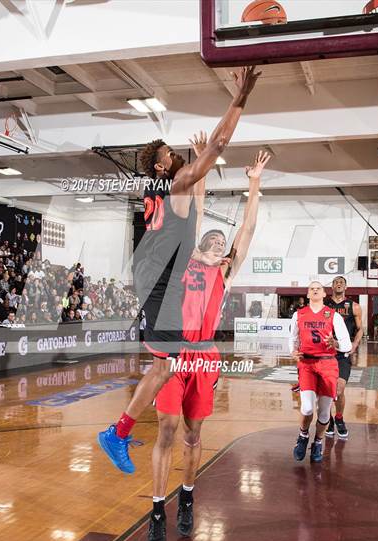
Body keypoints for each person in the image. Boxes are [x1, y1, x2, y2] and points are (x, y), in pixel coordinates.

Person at [98, 66, 261, 474]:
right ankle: (116, 434)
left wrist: (203, 167)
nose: (176, 157)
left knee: (163, 366)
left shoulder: (163, 193)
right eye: (169, 155)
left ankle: (118, 432)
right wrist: (239, 99)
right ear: (159, 167)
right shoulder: (176, 185)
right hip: (160, 284)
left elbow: (196, 205)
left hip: (156, 279)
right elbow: (220, 144)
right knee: (164, 367)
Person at [147, 145, 271, 541]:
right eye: (213, 240)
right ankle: (156, 509)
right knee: (165, 429)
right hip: (173, 354)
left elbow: (247, 231)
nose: (220, 243)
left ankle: (186, 494)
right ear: (200, 246)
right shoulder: (184, 261)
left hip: (205, 357)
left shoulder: (225, 273)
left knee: (194, 431)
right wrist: (200, 168)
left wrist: (253, 185)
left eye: (223, 243)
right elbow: (196, 209)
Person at [289, 281, 351, 463]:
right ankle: (302, 436)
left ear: (325, 294)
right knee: (307, 407)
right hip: (307, 363)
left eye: (318, 288)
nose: (314, 290)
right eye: (311, 288)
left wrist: (336, 344)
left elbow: (346, 344)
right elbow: (292, 338)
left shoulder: (333, 316)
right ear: (308, 295)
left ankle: (318, 441)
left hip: (328, 364)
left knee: (324, 412)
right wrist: (293, 351)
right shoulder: (298, 315)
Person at [324, 277, 363, 438]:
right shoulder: (324, 306)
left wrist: (354, 344)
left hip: (343, 354)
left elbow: (360, 329)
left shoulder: (354, 306)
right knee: (325, 391)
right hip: (325, 353)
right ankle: (329, 420)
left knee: (339, 388)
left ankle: (339, 418)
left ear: (346, 286)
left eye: (341, 282)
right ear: (332, 286)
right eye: (335, 282)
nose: (338, 284)